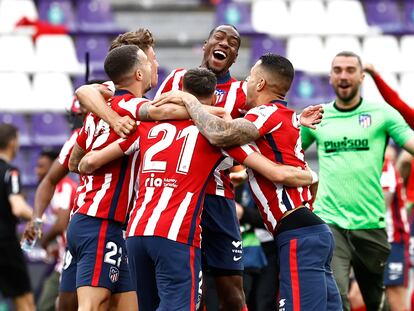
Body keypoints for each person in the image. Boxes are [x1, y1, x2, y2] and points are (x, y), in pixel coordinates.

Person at [76, 67, 319, 310]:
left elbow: (86, 163)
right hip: (176, 235)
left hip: (137, 233)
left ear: (179, 91)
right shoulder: (215, 139)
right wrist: (311, 174)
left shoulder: (146, 128)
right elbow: (274, 171)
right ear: (213, 98)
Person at [155, 24, 323, 310]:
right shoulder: (176, 78)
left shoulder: (242, 92)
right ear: (205, 44)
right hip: (177, 192)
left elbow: (267, 117)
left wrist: (293, 120)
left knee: (232, 287)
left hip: (218, 194)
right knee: (186, 285)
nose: (224, 44)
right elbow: (155, 114)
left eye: (233, 43)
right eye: (218, 38)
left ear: (234, 58)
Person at [299, 51, 414, 311]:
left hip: (370, 223)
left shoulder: (382, 113)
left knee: (376, 301)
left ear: (362, 76)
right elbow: (290, 152)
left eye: (350, 70)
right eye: (337, 70)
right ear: (330, 77)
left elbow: (410, 142)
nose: (343, 75)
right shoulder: (318, 116)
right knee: (337, 296)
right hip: (330, 222)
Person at [67, 45, 153, 311]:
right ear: (138, 73)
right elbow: (83, 162)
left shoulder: (98, 111)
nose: (154, 67)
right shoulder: (137, 109)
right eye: (150, 62)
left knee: (126, 306)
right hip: (100, 220)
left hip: (105, 222)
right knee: (91, 306)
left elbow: (74, 162)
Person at [33, 150, 77, 311]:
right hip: (62, 257)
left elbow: (61, 224)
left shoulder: (64, 187)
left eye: (42, 167)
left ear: (54, 167)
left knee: (46, 304)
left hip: (70, 257)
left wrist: (43, 242)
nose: (38, 171)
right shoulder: (54, 190)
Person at [0, 124, 35, 311]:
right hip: (4, 244)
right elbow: (18, 207)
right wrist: (37, 216)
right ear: (13, 142)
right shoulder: (10, 172)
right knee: (25, 303)